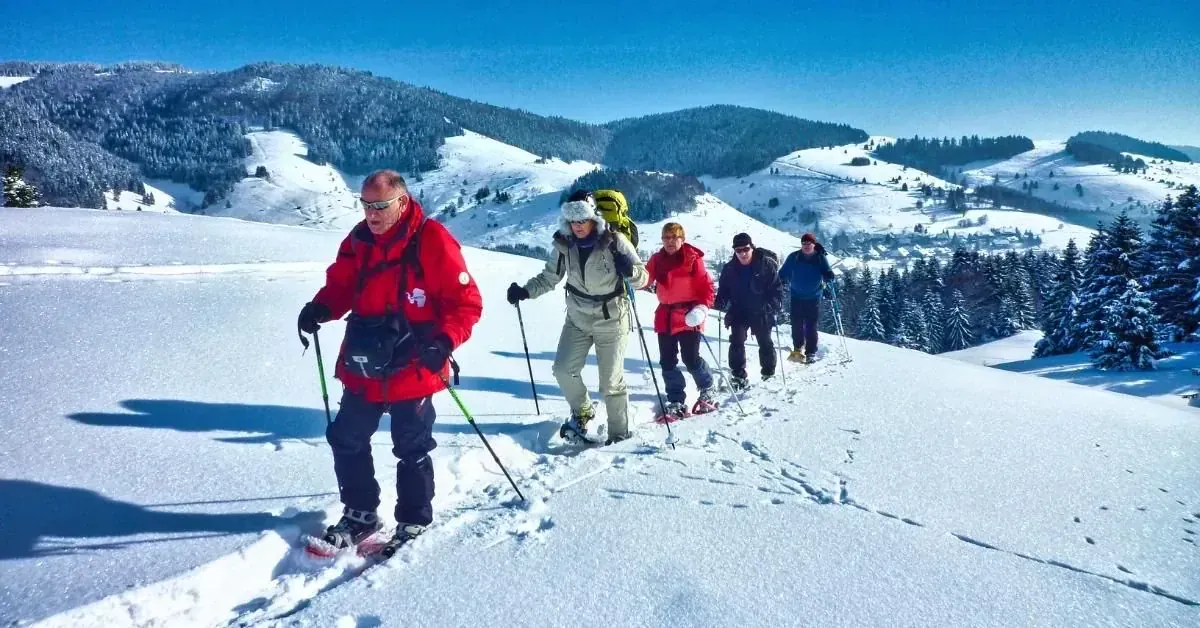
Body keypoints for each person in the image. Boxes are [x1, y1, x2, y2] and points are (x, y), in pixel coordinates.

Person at [296, 169, 483, 552]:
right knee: (346, 437)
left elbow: (466, 303)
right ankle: (360, 514)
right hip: (364, 361)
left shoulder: (431, 240)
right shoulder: (358, 240)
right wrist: (321, 308)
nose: (372, 214)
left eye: (380, 205)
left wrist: (445, 341)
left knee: (411, 446)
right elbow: (342, 285)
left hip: (414, 363)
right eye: (365, 205)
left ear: (402, 201)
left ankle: (413, 520)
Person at [506, 190, 648, 444]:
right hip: (577, 318)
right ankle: (582, 411)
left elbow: (643, 277)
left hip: (612, 318)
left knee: (610, 382)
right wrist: (526, 291)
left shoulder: (614, 242)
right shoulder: (564, 244)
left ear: (594, 218)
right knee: (563, 370)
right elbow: (550, 276)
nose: (577, 226)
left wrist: (631, 271)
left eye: (582, 219)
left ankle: (619, 434)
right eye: (573, 221)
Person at [644, 222, 717, 418]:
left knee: (690, 358)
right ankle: (676, 398)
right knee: (667, 361)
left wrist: (702, 308)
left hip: (689, 316)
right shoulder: (656, 259)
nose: (670, 241)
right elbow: (645, 279)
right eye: (666, 237)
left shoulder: (692, 258)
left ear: (682, 239)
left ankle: (707, 386)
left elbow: (706, 287)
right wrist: (630, 273)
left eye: (674, 237)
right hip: (665, 316)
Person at [714, 232, 784, 390]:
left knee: (765, 342)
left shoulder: (766, 265)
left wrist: (772, 305)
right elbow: (724, 290)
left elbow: (776, 289)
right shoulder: (729, 268)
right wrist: (720, 301)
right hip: (739, 310)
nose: (743, 253)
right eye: (738, 250)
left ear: (752, 247)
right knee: (737, 341)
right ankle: (738, 376)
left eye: (746, 249)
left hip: (761, 311)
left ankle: (768, 373)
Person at [778, 232, 835, 363]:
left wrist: (829, 276)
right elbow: (784, 272)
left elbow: (827, 272)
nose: (806, 246)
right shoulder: (794, 257)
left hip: (814, 297)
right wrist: (781, 280)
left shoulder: (820, 258)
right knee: (796, 324)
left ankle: (810, 352)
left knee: (811, 325)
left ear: (814, 244)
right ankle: (797, 348)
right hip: (796, 296)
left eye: (809, 243)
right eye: (804, 243)